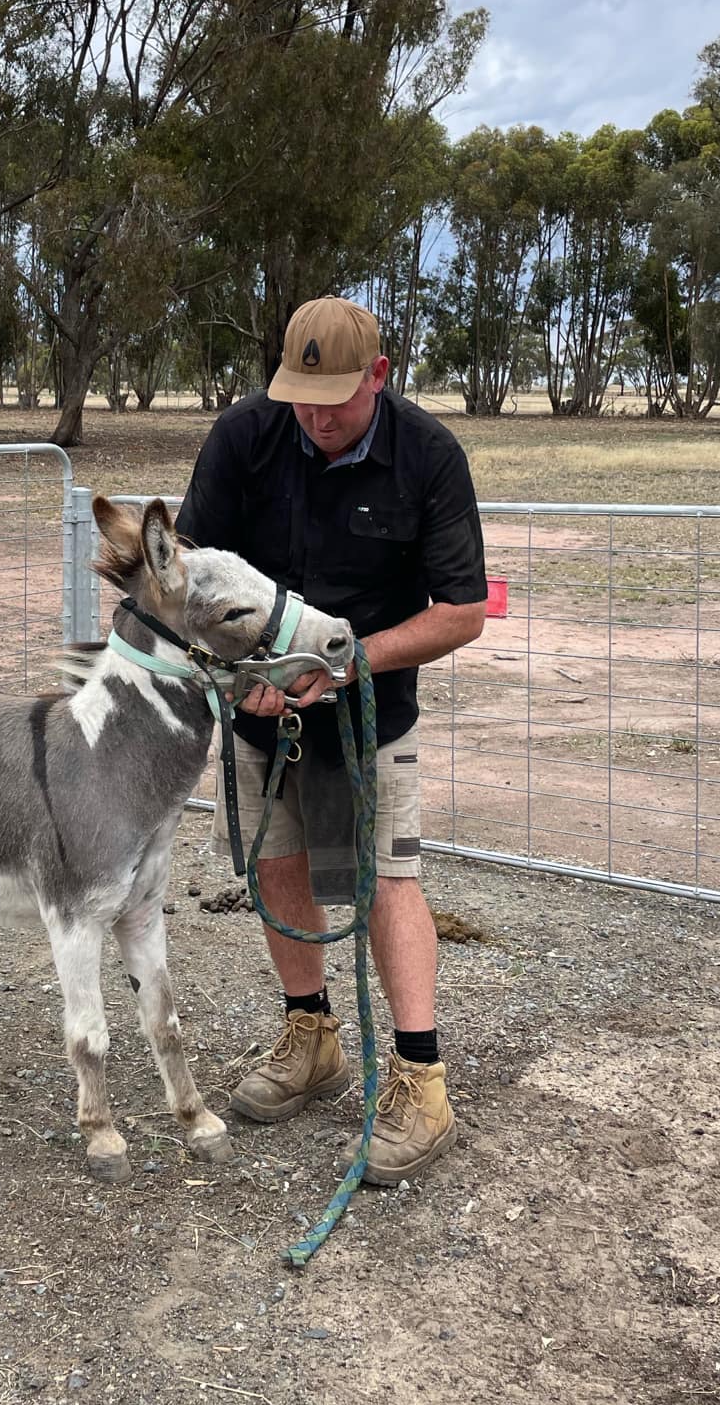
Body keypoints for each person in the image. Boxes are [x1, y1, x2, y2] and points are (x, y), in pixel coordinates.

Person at [176, 297, 487, 1185]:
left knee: (387, 879)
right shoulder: (246, 436)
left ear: (380, 377)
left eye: (335, 402)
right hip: (258, 711)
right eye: (300, 398)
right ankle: (311, 1035)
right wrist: (247, 669)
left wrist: (347, 667)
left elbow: (461, 612)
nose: (314, 418)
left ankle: (423, 1082)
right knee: (274, 865)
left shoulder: (428, 458)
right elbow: (196, 570)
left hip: (366, 716)